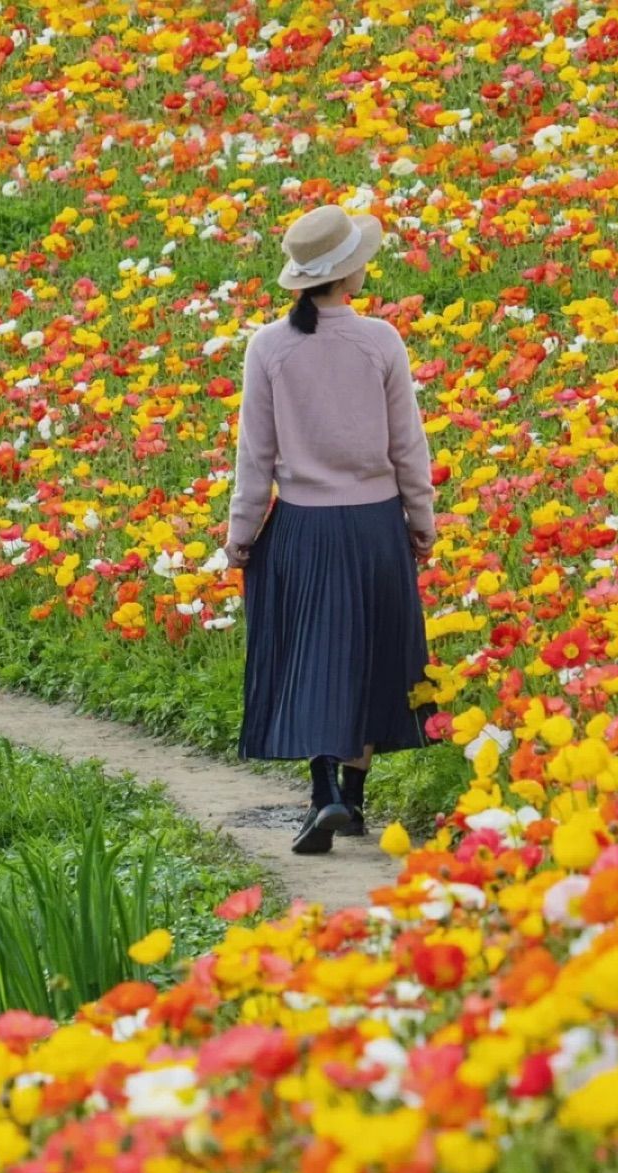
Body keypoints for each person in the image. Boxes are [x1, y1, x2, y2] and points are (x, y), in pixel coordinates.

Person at [224, 202, 437, 855]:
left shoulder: (269, 346)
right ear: (350, 274)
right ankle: (355, 797)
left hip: (301, 528)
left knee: (311, 661)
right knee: (371, 660)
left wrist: (239, 538)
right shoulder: (380, 340)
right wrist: (420, 522)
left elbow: (254, 456)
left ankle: (325, 797)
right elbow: (409, 445)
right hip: (374, 525)